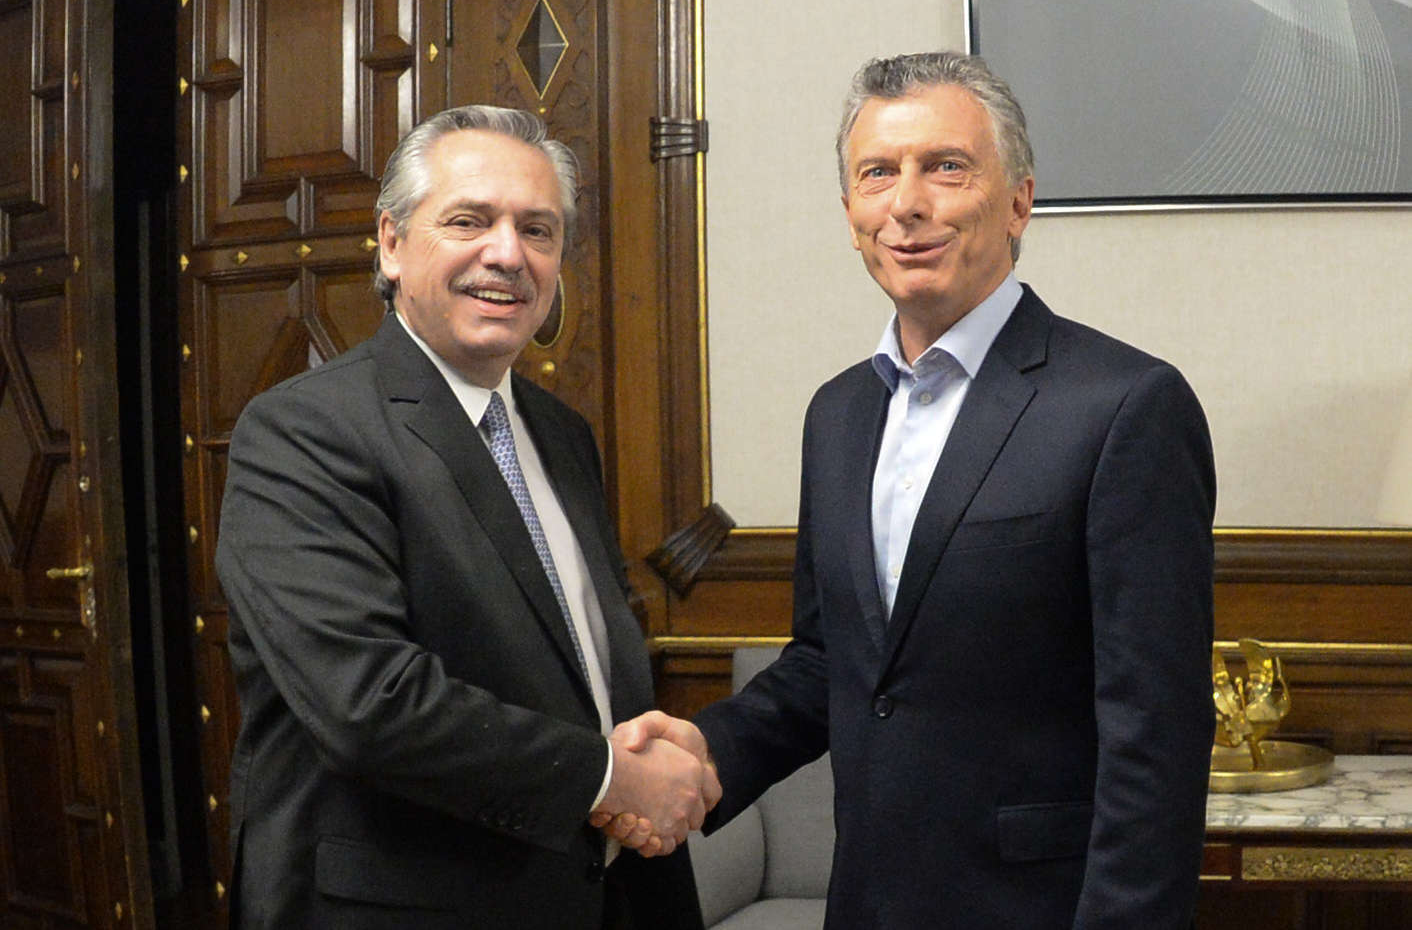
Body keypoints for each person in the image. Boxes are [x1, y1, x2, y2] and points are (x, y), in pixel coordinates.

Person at [614, 51, 1217, 928]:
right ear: (852, 213)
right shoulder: (839, 414)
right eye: (877, 173)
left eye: (946, 167)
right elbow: (834, 663)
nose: (908, 202)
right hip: (868, 900)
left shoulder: (1125, 405)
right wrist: (708, 748)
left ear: (1018, 201)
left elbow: (1154, 729)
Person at [217, 105, 713, 930]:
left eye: (538, 229)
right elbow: (367, 704)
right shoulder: (302, 431)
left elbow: (580, 658)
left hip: (597, 891)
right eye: (469, 220)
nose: (508, 254)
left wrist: (656, 754)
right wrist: (610, 779)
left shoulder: (561, 434)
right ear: (391, 242)